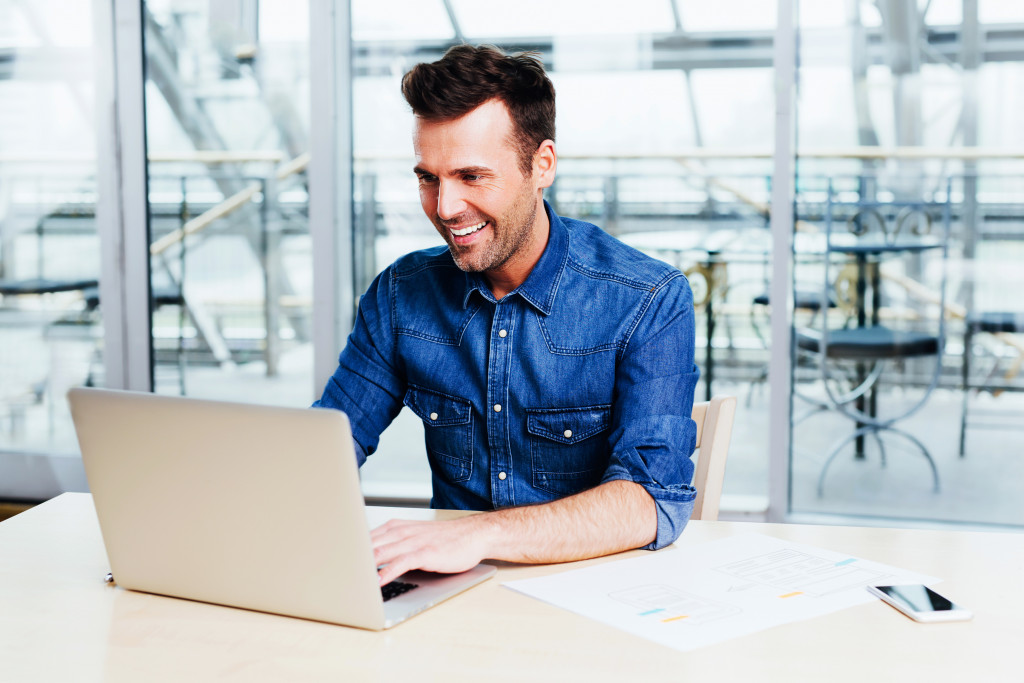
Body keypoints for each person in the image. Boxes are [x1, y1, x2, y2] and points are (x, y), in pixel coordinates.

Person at [314, 45, 699, 585]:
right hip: (448, 595)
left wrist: (480, 534)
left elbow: (651, 502)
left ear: (542, 166)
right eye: (429, 177)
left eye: (472, 176)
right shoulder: (401, 294)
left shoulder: (647, 299)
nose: (445, 208)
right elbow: (327, 446)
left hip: (597, 596)